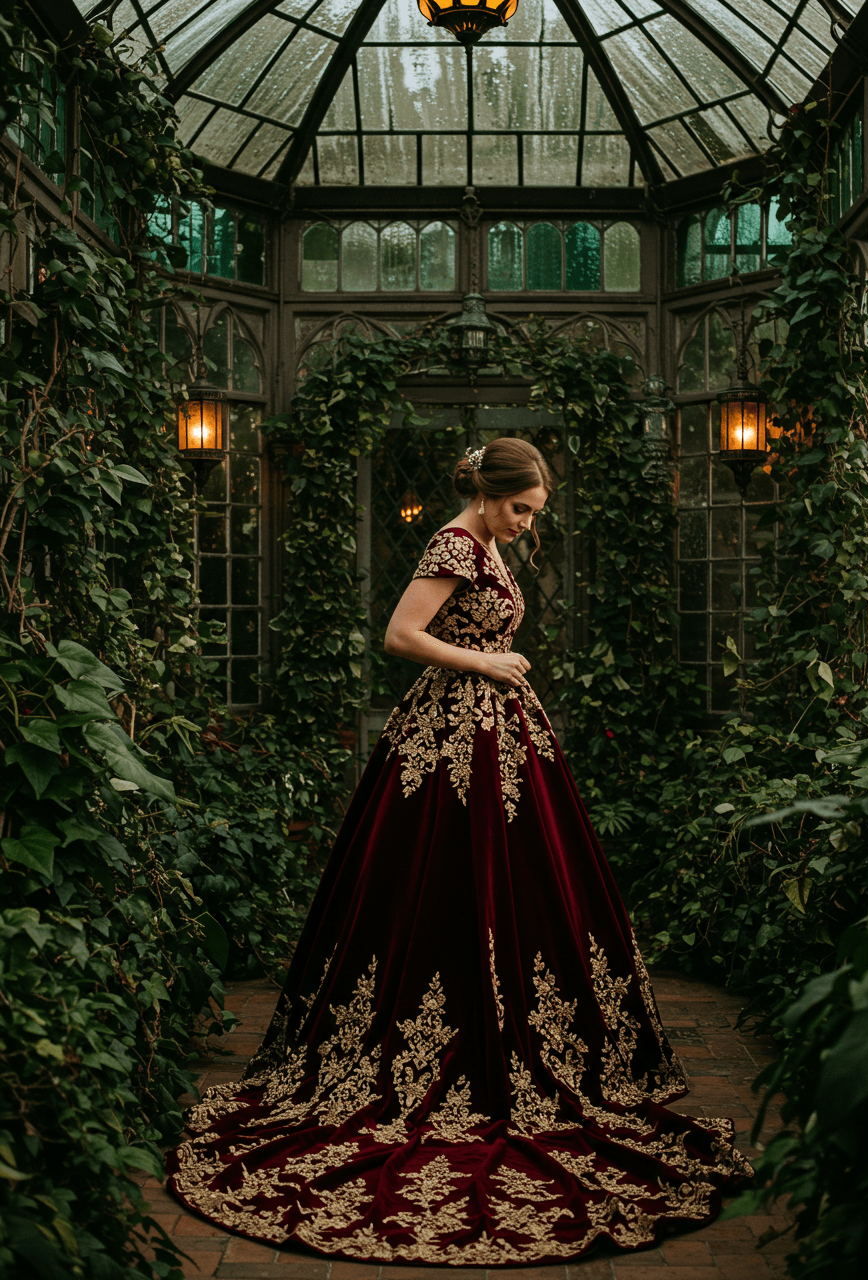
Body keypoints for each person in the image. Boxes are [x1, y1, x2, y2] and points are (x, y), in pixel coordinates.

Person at [166, 437, 751, 1264]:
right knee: (440, 885)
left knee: (525, 884)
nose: (524, 524)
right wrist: (485, 660)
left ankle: (531, 1046)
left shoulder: (487, 543)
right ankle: (442, 1056)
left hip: (496, 732)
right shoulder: (452, 542)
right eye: (519, 509)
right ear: (488, 494)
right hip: (449, 738)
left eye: (533, 513)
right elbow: (400, 636)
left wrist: (496, 668)